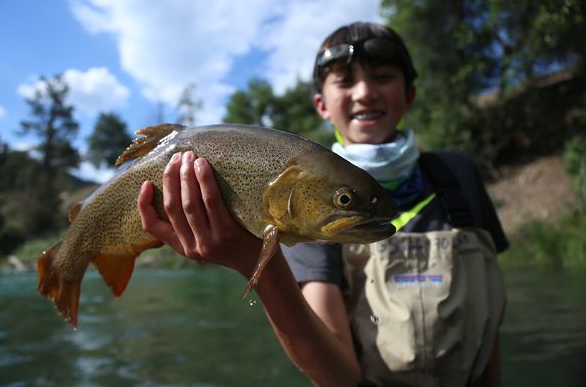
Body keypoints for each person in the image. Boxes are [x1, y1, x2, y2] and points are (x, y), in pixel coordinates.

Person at [137, 21, 508, 387]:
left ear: (410, 94)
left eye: (382, 77)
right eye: (345, 81)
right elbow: (339, 377)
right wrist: (256, 263)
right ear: (321, 105)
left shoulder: (459, 176)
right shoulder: (304, 214)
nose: (364, 92)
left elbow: (487, 318)